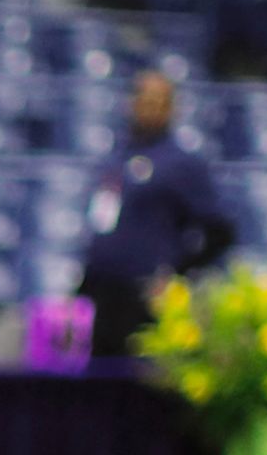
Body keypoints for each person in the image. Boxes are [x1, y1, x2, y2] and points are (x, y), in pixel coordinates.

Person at [75, 73, 232, 360]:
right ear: (130, 103)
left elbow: (219, 231)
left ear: (172, 109)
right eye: (144, 99)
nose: (150, 107)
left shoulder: (182, 163)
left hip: (146, 299)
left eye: (159, 101)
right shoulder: (117, 156)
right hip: (102, 294)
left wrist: (178, 274)